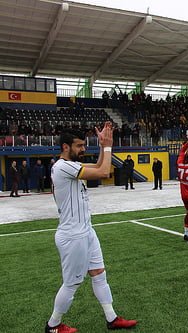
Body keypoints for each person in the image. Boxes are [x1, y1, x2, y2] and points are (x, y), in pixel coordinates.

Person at [46, 123, 137, 332]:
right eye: (79, 146)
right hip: (72, 235)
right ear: (66, 147)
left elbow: (97, 167)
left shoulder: (71, 166)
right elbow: (105, 171)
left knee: (98, 273)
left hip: (86, 231)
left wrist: (106, 145)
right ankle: (53, 325)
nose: (83, 149)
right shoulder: (62, 166)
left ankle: (111, 318)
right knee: (71, 284)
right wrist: (107, 147)